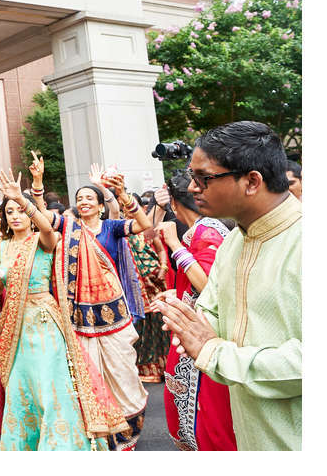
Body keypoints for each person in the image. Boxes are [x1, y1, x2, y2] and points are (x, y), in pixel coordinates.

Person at [152, 121, 301, 450]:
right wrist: (190, 324)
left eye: (203, 178)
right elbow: (210, 311)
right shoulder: (233, 242)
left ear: (251, 181)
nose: (192, 188)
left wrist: (215, 352)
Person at [0, 169, 126, 450]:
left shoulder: (42, 242)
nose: (15, 216)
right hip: (15, 328)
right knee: (20, 387)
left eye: (20, 211)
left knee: (51, 385)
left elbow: (49, 229)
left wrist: (24, 199)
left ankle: (60, 448)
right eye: (10, 211)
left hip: (44, 322)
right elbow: (0, 289)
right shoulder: (0, 248)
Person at [32, 153, 151, 450]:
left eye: (90, 198)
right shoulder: (69, 228)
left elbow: (144, 223)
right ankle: (99, 438)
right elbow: (43, 218)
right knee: (89, 377)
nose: (84, 201)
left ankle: (126, 435)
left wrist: (122, 194)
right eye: (79, 198)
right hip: (80, 319)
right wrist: (37, 187)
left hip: (115, 318)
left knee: (124, 377)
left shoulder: (112, 228)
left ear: (100, 205)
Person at [147, 173, 236, 451]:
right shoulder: (199, 229)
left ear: (174, 203)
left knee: (208, 418)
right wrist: (176, 294)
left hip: (203, 332)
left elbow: (208, 284)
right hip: (192, 327)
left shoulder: (205, 230)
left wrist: (174, 246)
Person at [121, 194, 171, 383]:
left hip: (154, 284)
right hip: (136, 290)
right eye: (124, 208)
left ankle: (162, 366)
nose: (128, 211)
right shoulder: (124, 231)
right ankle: (143, 368)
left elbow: (159, 250)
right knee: (140, 329)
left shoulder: (147, 231)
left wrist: (163, 267)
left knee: (159, 325)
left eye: (131, 207)